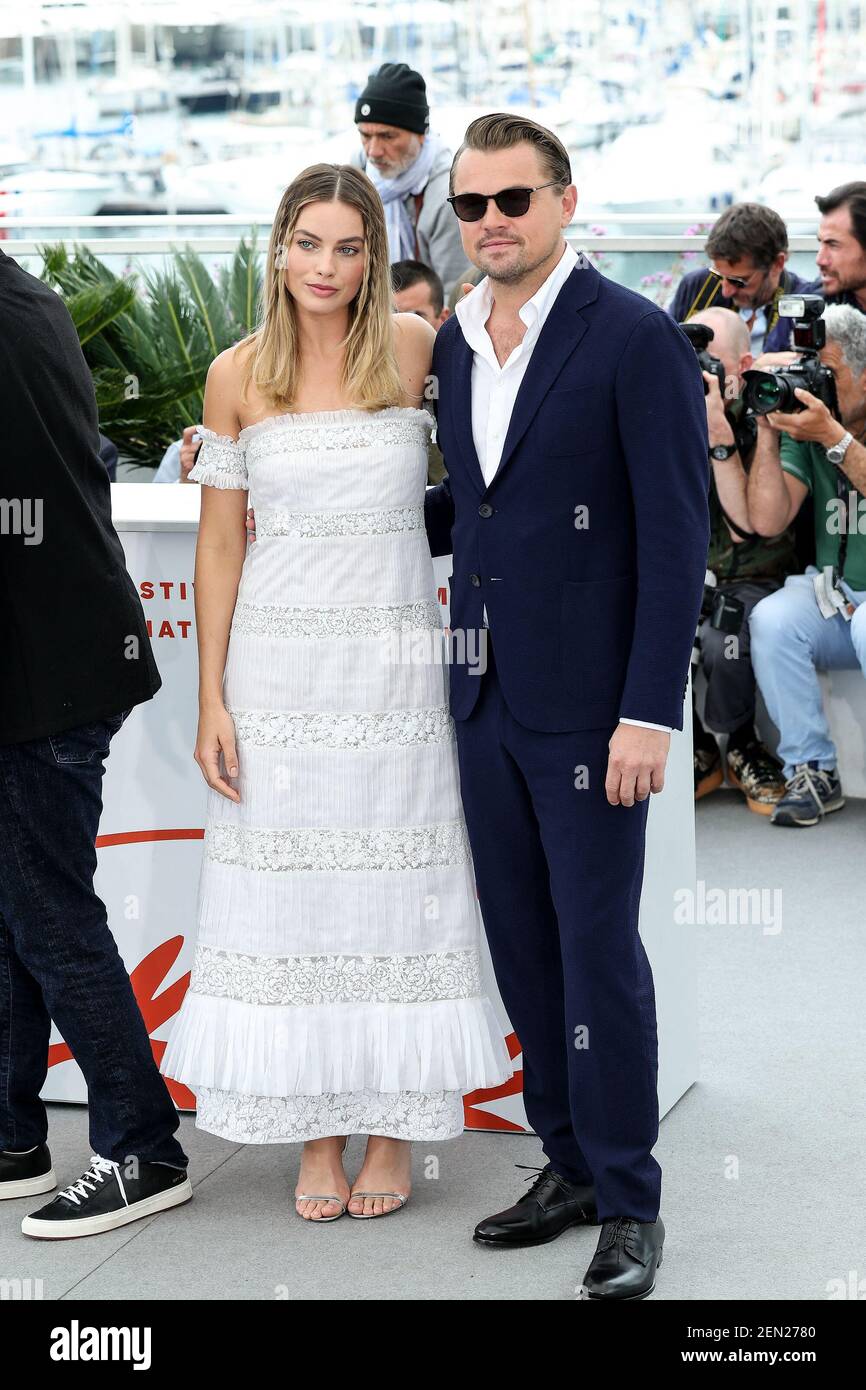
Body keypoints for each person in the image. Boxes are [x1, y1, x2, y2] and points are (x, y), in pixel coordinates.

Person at [158, 162, 512, 1222]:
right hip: (276, 676)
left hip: (398, 672)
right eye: (308, 244)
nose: (327, 267)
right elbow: (220, 545)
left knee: (398, 897)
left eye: (349, 248)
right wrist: (212, 698)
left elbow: (497, 463)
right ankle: (316, 1133)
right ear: (278, 250)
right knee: (295, 902)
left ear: (371, 257)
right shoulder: (235, 375)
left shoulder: (413, 351)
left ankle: (394, 1129)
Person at [424, 112, 710, 1299]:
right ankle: (567, 1162)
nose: (490, 223)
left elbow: (676, 532)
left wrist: (648, 711)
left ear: (563, 202)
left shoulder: (633, 338)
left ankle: (631, 1201)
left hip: (597, 713)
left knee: (598, 954)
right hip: (482, 696)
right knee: (524, 949)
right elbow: (476, 511)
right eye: (471, 207)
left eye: (512, 202)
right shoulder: (451, 338)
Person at [0, 245, 191, 1238]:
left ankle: (142, 1146)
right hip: (63, 662)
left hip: (43, 679)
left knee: (50, 918)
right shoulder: (27, 298)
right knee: (20, 910)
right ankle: (12, 1137)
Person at [747, 304, 866, 827]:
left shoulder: (828, 432)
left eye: (830, 373)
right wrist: (770, 428)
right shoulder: (810, 429)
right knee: (771, 619)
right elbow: (768, 519)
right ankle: (812, 769)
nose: (815, 387)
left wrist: (836, 440)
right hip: (835, 598)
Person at [686, 308, 798, 812]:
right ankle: (697, 749)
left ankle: (742, 744)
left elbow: (746, 528)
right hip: (688, 577)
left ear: (743, 364)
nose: (703, 373)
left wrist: (718, 435)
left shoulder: (762, 412)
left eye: (715, 361)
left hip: (752, 574)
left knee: (724, 639)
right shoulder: (667, 411)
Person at [349, 62, 468, 303]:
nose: (374, 151)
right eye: (365, 135)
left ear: (421, 134)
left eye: (387, 136)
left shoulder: (448, 194)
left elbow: (454, 294)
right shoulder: (357, 174)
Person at [668, 202, 814, 355]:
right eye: (718, 276)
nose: (726, 291)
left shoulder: (804, 305)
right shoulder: (696, 287)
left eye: (738, 281)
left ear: (777, 264)